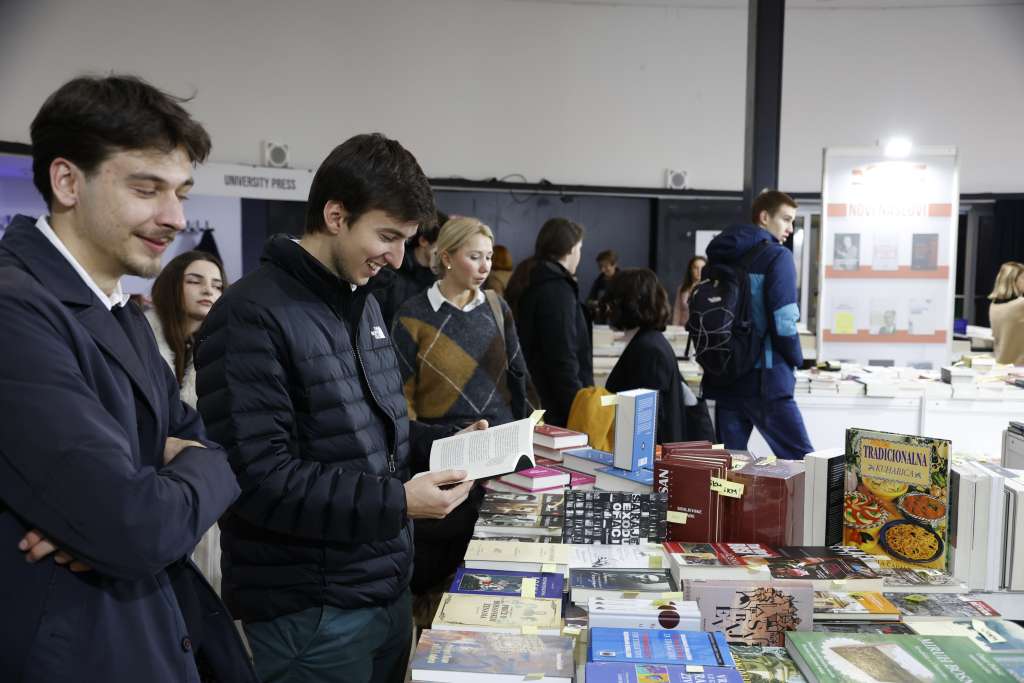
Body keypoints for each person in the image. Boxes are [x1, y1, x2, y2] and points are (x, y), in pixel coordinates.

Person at [0, 74, 254, 682]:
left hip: (147, 626)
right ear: (68, 181)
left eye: (181, 194)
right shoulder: (14, 308)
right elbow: (134, 527)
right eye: (146, 189)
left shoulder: (123, 312)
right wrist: (141, 492)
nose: (175, 218)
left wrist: (135, 495)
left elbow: (211, 452)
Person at [195, 133, 476, 683]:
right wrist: (399, 500)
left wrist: (450, 441)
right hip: (311, 611)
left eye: (406, 241)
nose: (397, 259)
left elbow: (371, 433)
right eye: (387, 236)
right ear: (335, 215)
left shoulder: (360, 302)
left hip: (382, 588)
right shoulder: (251, 314)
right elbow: (260, 479)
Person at [391, 218, 534, 624]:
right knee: (440, 571)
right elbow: (401, 398)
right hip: (446, 457)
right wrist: (416, 453)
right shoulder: (412, 315)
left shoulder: (497, 307)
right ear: (447, 257)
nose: (485, 266)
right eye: (475, 256)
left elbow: (518, 375)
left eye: (488, 256)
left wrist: (529, 433)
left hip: (502, 458)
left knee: (497, 568)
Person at [702, 190, 813, 460]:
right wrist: (797, 359)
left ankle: (729, 492)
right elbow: (784, 320)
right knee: (805, 462)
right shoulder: (777, 256)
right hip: (766, 379)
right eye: (786, 219)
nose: (790, 228)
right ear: (764, 217)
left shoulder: (722, 256)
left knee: (729, 465)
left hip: (726, 375)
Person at [147, 249, 228, 595]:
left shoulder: (230, 347)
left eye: (217, 285)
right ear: (171, 286)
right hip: (150, 486)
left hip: (208, 486)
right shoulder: (141, 342)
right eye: (195, 281)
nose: (208, 290)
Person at [506, 217, 593, 427]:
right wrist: (579, 408)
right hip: (555, 405)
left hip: (535, 397)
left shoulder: (531, 277)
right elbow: (562, 355)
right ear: (571, 249)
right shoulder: (557, 290)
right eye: (580, 248)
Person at [603, 268, 687, 443]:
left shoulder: (649, 350)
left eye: (615, 301)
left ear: (630, 304)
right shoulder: (648, 342)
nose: (609, 308)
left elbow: (646, 423)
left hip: (649, 454)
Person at [378, 210, 446, 327]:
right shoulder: (391, 270)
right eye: (442, 244)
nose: (446, 252)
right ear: (423, 241)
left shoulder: (442, 278)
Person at [989, 260, 1024, 365]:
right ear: (1012, 280)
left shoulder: (993, 305)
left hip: (1001, 365)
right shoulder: (1020, 305)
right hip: (1019, 367)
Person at [672, 255, 706, 326]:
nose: (699, 271)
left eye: (702, 268)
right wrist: (675, 327)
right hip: (682, 328)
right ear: (690, 269)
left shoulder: (709, 289)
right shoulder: (682, 288)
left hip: (700, 328)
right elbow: (677, 310)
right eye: (696, 268)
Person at [586, 249, 618, 322]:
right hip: (601, 320)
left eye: (606, 266)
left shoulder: (624, 280)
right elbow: (589, 301)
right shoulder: (599, 281)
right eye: (600, 267)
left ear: (614, 265)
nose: (602, 270)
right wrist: (596, 304)